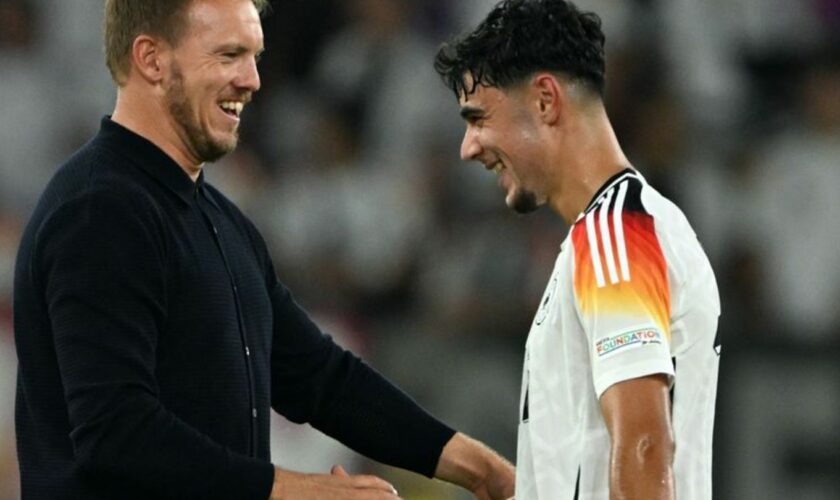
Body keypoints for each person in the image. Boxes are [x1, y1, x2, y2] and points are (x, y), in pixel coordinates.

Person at [13, 0, 515, 498]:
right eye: (229, 55)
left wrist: (480, 468)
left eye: (253, 56)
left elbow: (320, 378)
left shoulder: (222, 221)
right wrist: (303, 492)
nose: (252, 80)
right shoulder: (99, 212)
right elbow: (117, 437)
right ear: (151, 59)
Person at [434, 0, 721, 499]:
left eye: (478, 118)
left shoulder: (616, 234)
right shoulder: (615, 230)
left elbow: (644, 447)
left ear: (545, 99)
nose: (468, 146)